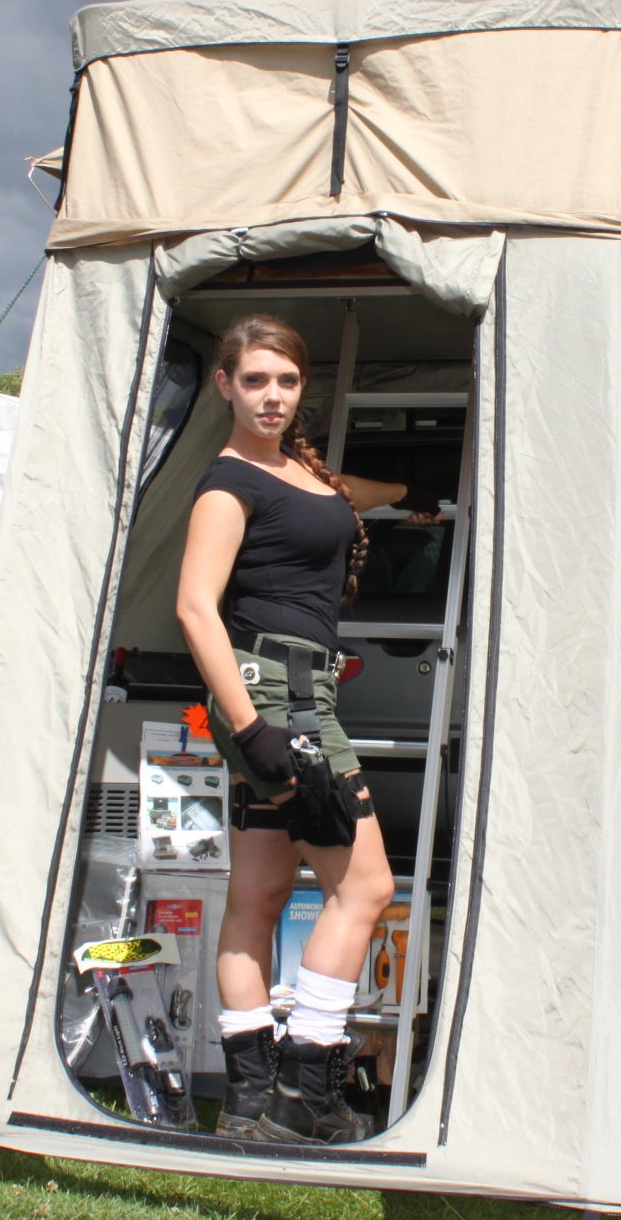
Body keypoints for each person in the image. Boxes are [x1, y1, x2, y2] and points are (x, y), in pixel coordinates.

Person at [177, 314, 441, 1145]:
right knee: (365, 888)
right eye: (255, 380)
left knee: (257, 894)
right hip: (277, 700)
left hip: (288, 692)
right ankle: (304, 1089)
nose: (272, 396)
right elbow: (195, 608)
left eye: (286, 381)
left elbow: (339, 494)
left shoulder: (298, 469)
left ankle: (248, 1102)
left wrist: (408, 494)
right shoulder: (227, 485)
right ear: (225, 384)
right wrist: (251, 728)